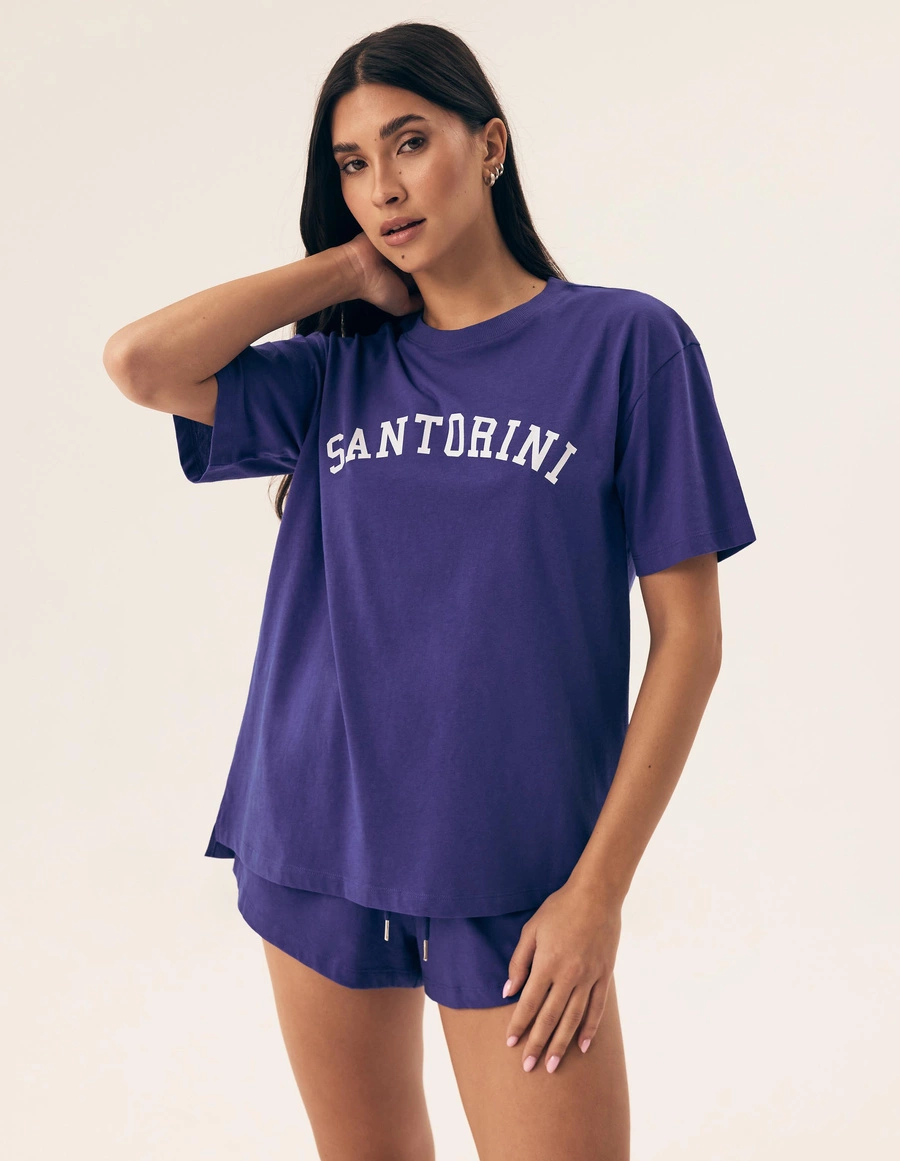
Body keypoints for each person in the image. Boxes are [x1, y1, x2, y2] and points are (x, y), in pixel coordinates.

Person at [102, 19, 757, 1161]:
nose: (385, 186)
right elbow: (139, 363)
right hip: (319, 830)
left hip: (517, 863)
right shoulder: (337, 371)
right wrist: (349, 272)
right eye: (354, 164)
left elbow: (690, 639)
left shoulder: (626, 346)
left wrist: (596, 894)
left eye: (410, 143)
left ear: (490, 145)